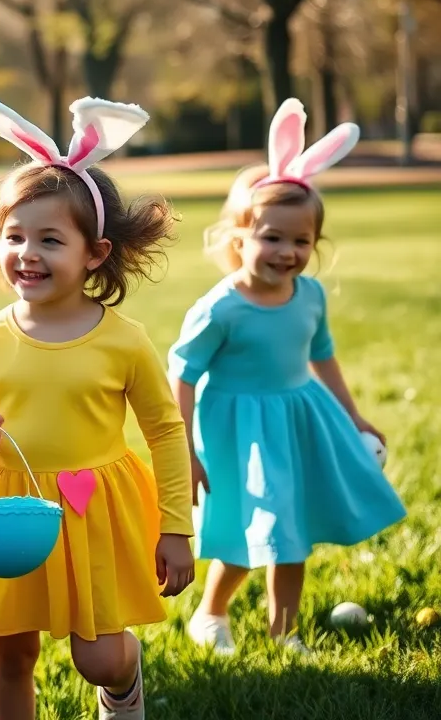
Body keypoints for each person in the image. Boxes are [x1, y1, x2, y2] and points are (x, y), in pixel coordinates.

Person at [0, 97, 195, 720]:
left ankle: (124, 682)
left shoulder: (122, 338)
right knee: (9, 653)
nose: (26, 253)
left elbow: (165, 431)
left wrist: (175, 526)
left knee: (98, 657)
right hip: (8, 508)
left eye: (49, 240)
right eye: (14, 237)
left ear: (94, 253)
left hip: (96, 508)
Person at [170, 98, 406, 655]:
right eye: (272, 237)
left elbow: (321, 354)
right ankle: (211, 612)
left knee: (290, 531)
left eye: (301, 241)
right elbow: (179, 373)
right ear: (240, 237)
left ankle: (285, 633)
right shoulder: (221, 308)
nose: (287, 252)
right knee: (248, 533)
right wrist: (183, 447)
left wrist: (352, 415)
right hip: (237, 428)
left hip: (299, 417)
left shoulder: (311, 295)